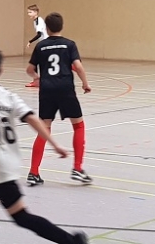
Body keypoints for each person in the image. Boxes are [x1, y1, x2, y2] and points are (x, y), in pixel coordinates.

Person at [0, 45, 88, 244]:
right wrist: (54, 144)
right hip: (7, 164)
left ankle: (71, 241)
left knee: (22, 217)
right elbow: (33, 119)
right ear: (0, 71)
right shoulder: (8, 96)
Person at [26, 12, 92, 186]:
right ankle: (77, 168)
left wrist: (37, 79)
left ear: (47, 28)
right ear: (62, 26)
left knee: (44, 129)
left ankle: (33, 172)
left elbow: (29, 70)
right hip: (65, 89)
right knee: (78, 125)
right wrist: (85, 84)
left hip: (47, 91)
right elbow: (78, 66)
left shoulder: (40, 46)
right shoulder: (69, 44)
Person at [24, 4, 47, 88]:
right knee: (37, 62)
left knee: (36, 61)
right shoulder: (35, 21)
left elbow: (39, 34)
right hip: (43, 43)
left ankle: (38, 81)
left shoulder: (39, 21)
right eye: (28, 12)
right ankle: (37, 81)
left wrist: (30, 41)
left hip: (45, 43)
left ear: (36, 12)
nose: (28, 14)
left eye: (30, 12)